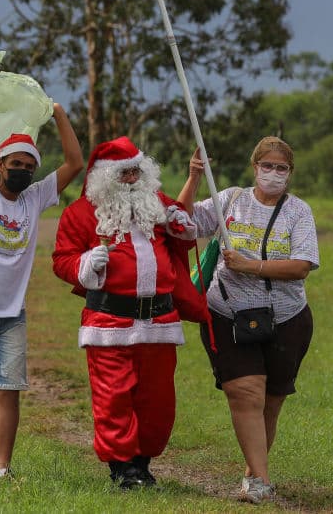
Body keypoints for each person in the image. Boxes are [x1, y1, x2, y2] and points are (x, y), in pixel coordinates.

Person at [51, 136, 205, 489]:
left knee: (158, 400)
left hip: (160, 322)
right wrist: (87, 263)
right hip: (110, 322)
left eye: (137, 171)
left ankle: (142, 462)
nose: (133, 179)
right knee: (114, 397)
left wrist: (182, 222)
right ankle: (123, 469)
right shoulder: (81, 213)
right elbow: (62, 260)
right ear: (105, 177)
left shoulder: (157, 205)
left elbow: (181, 229)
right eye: (124, 173)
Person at [177, 136, 319, 504]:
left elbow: (302, 266)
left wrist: (252, 266)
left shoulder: (298, 212)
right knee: (245, 393)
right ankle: (261, 481)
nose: (273, 174)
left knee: (270, 401)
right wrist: (194, 177)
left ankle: (252, 471)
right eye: (267, 166)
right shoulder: (230, 200)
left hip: (286, 318)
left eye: (281, 168)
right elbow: (181, 222)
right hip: (227, 314)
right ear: (254, 167)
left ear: (290, 173)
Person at [0, 93, 83, 478]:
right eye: (16, 164)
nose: (22, 170)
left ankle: (2, 469)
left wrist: (57, 112)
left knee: (9, 391)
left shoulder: (35, 198)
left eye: (29, 165)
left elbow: (75, 162)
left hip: (11, 317)